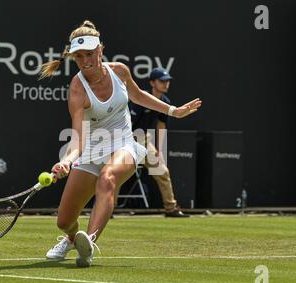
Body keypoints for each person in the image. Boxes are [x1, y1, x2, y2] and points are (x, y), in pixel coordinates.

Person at [40, 20, 202, 267]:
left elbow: (137, 95)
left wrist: (173, 111)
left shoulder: (119, 71)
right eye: (79, 57)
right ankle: (73, 239)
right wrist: (66, 161)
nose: (85, 61)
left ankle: (89, 243)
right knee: (64, 221)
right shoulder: (77, 90)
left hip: (124, 144)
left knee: (108, 178)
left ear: (101, 50)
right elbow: (78, 138)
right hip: (91, 150)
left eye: (90, 54)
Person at [129, 67, 189, 217]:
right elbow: (128, 123)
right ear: (152, 82)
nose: (166, 84)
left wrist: (159, 150)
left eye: (167, 81)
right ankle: (108, 208)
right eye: (162, 81)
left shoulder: (165, 102)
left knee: (162, 171)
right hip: (128, 138)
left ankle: (170, 208)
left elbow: (161, 126)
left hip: (145, 140)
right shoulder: (141, 99)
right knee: (115, 174)